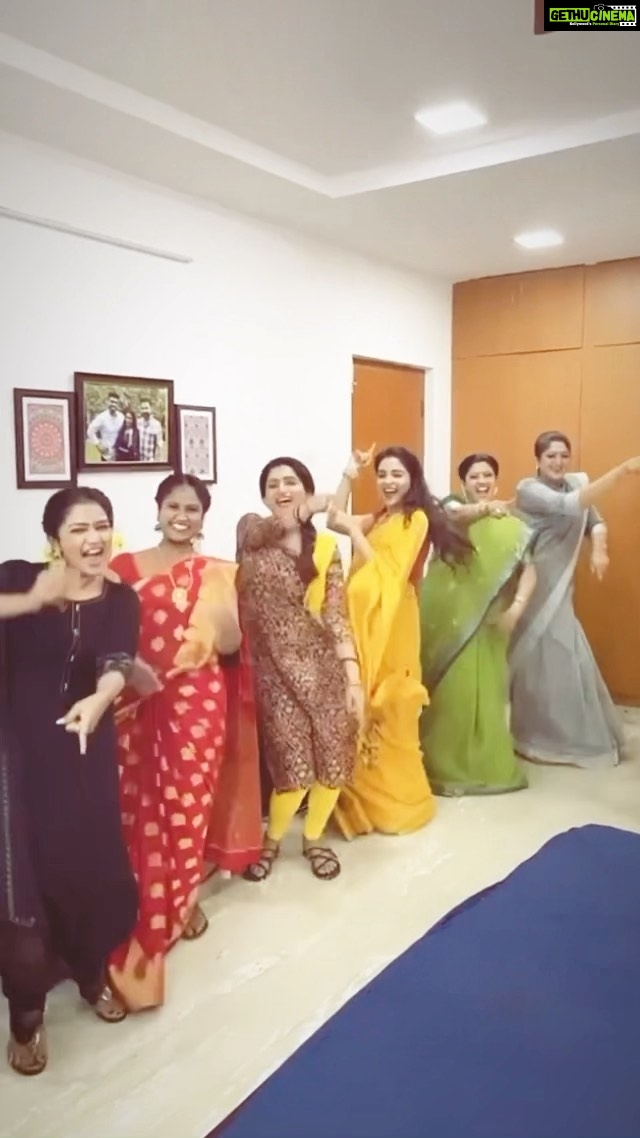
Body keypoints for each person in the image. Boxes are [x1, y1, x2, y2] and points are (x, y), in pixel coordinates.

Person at [108, 474, 262, 1011]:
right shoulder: (122, 569)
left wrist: (220, 618)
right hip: (132, 702)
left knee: (188, 804)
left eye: (192, 508)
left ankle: (183, 894)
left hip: (196, 703)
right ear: (157, 510)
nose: (181, 516)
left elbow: (231, 644)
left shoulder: (218, 572)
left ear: (202, 516)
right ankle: (143, 898)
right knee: (134, 806)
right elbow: (107, 637)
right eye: (173, 506)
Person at [0, 487, 139, 1076]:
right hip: (17, 759)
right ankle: (27, 1013)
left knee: (91, 870)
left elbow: (118, 660)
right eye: (79, 529)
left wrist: (101, 699)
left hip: (85, 752)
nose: (93, 538)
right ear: (55, 539)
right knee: (21, 887)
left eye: (101, 525)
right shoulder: (16, 577)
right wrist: (32, 599)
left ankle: (89, 973)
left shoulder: (120, 598)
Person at [328, 446, 472, 838]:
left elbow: (389, 573)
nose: (389, 481)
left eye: (397, 474)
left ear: (412, 479)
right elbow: (334, 518)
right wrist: (349, 473)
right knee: (359, 701)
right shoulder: (380, 517)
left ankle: (398, 804)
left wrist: (356, 533)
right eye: (383, 474)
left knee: (389, 705)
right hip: (365, 618)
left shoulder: (416, 519)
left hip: (395, 620)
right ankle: (361, 800)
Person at [236, 457, 361, 882]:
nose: (283, 490)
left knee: (333, 759)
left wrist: (352, 676)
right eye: (273, 484)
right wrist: (306, 509)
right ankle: (271, 841)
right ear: (263, 495)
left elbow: (336, 614)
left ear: (305, 487)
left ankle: (314, 838)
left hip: (324, 668)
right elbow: (261, 532)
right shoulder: (252, 532)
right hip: (273, 673)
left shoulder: (324, 548)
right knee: (293, 769)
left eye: (291, 482)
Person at [509, 431, 640, 767]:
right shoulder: (529, 489)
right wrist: (622, 471)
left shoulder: (574, 484)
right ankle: (535, 739)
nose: (558, 462)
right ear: (538, 459)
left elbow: (595, 521)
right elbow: (571, 505)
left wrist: (599, 549)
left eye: (563, 455)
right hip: (533, 585)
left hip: (560, 587)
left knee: (566, 658)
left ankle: (569, 739)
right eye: (550, 456)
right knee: (540, 662)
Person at [419, 452, 535, 796]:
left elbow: (530, 569)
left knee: (485, 694)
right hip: (448, 619)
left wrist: (516, 608)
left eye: (487, 476)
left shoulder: (511, 524)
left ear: (496, 481)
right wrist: (486, 508)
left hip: (489, 620)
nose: (481, 482)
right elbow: (456, 515)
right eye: (474, 476)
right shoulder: (450, 508)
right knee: (451, 695)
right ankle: (442, 765)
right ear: (463, 482)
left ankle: (483, 766)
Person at [86, 390, 124, 461]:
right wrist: (98, 444)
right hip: (107, 455)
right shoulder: (102, 417)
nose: (113, 404)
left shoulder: (121, 417)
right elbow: (90, 430)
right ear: (107, 402)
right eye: (112, 401)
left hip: (119, 455)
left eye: (116, 402)